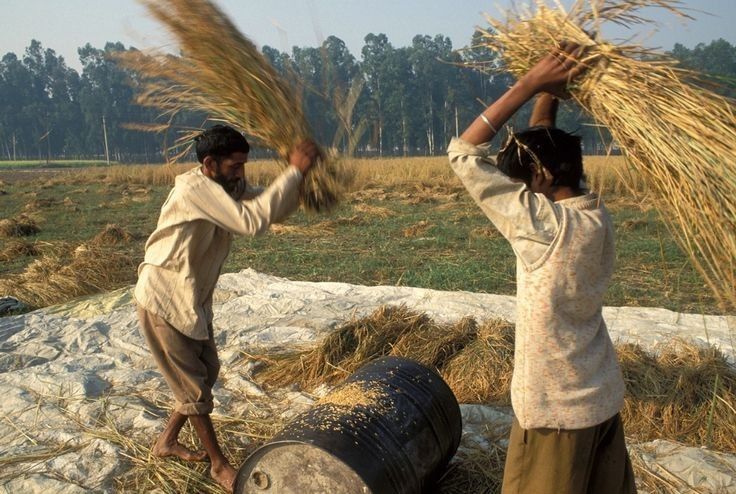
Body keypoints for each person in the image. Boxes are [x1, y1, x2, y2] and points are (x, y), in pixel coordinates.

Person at [448, 45, 636, 493]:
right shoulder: (593, 215)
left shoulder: (543, 225)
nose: (520, 192)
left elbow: (463, 153)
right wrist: (549, 94)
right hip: (600, 396)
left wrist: (529, 83)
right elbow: (543, 141)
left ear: (544, 179)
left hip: (555, 412)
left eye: (523, 183)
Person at [134, 124, 319, 492]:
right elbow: (250, 222)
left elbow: (264, 206)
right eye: (235, 166)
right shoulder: (194, 189)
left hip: (190, 299)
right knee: (194, 390)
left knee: (207, 371)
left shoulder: (223, 186)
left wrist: (302, 184)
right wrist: (294, 170)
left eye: (243, 165)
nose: (241, 173)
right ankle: (219, 466)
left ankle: (167, 441)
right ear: (209, 163)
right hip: (164, 297)